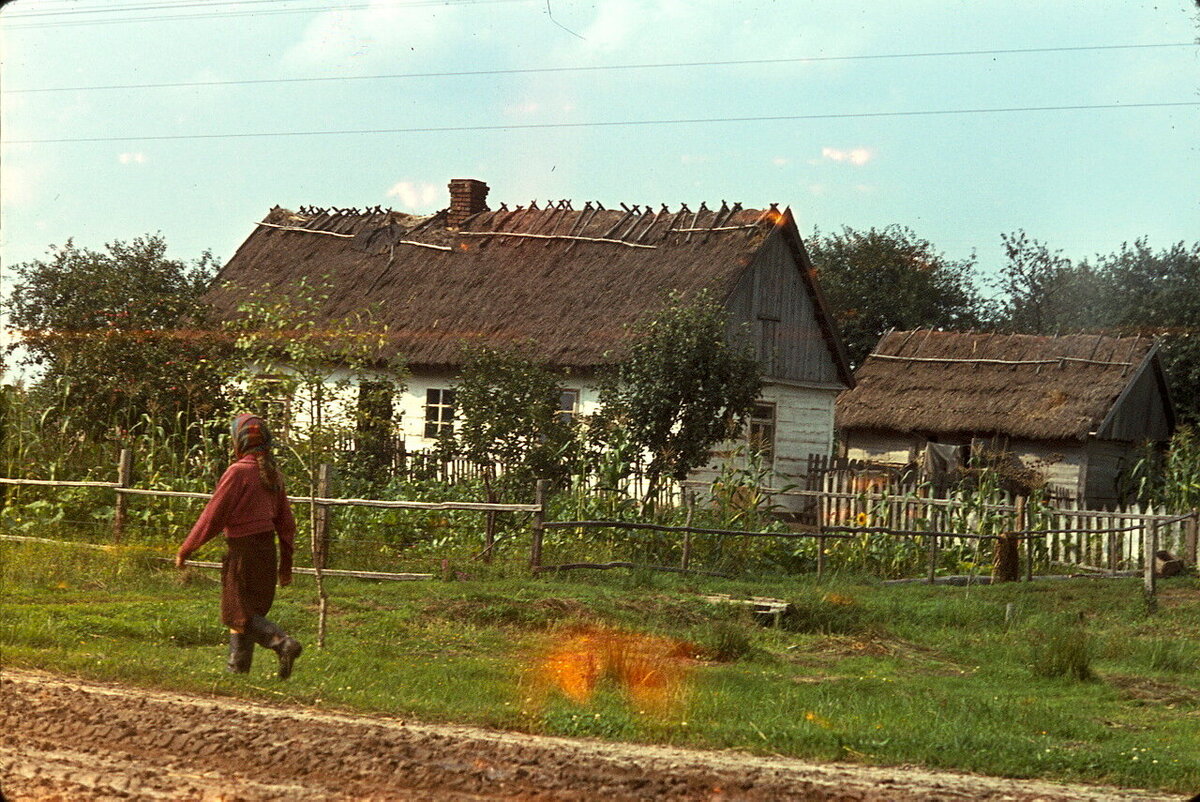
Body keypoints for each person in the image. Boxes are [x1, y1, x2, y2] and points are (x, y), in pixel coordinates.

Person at [176, 414, 302, 678]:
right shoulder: (273, 474)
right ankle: (237, 673)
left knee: (235, 612)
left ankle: (283, 643)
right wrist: (285, 566)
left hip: (243, 551)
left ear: (238, 441)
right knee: (248, 612)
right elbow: (287, 524)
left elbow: (213, 515)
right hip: (267, 551)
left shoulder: (237, 472)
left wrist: (187, 547)